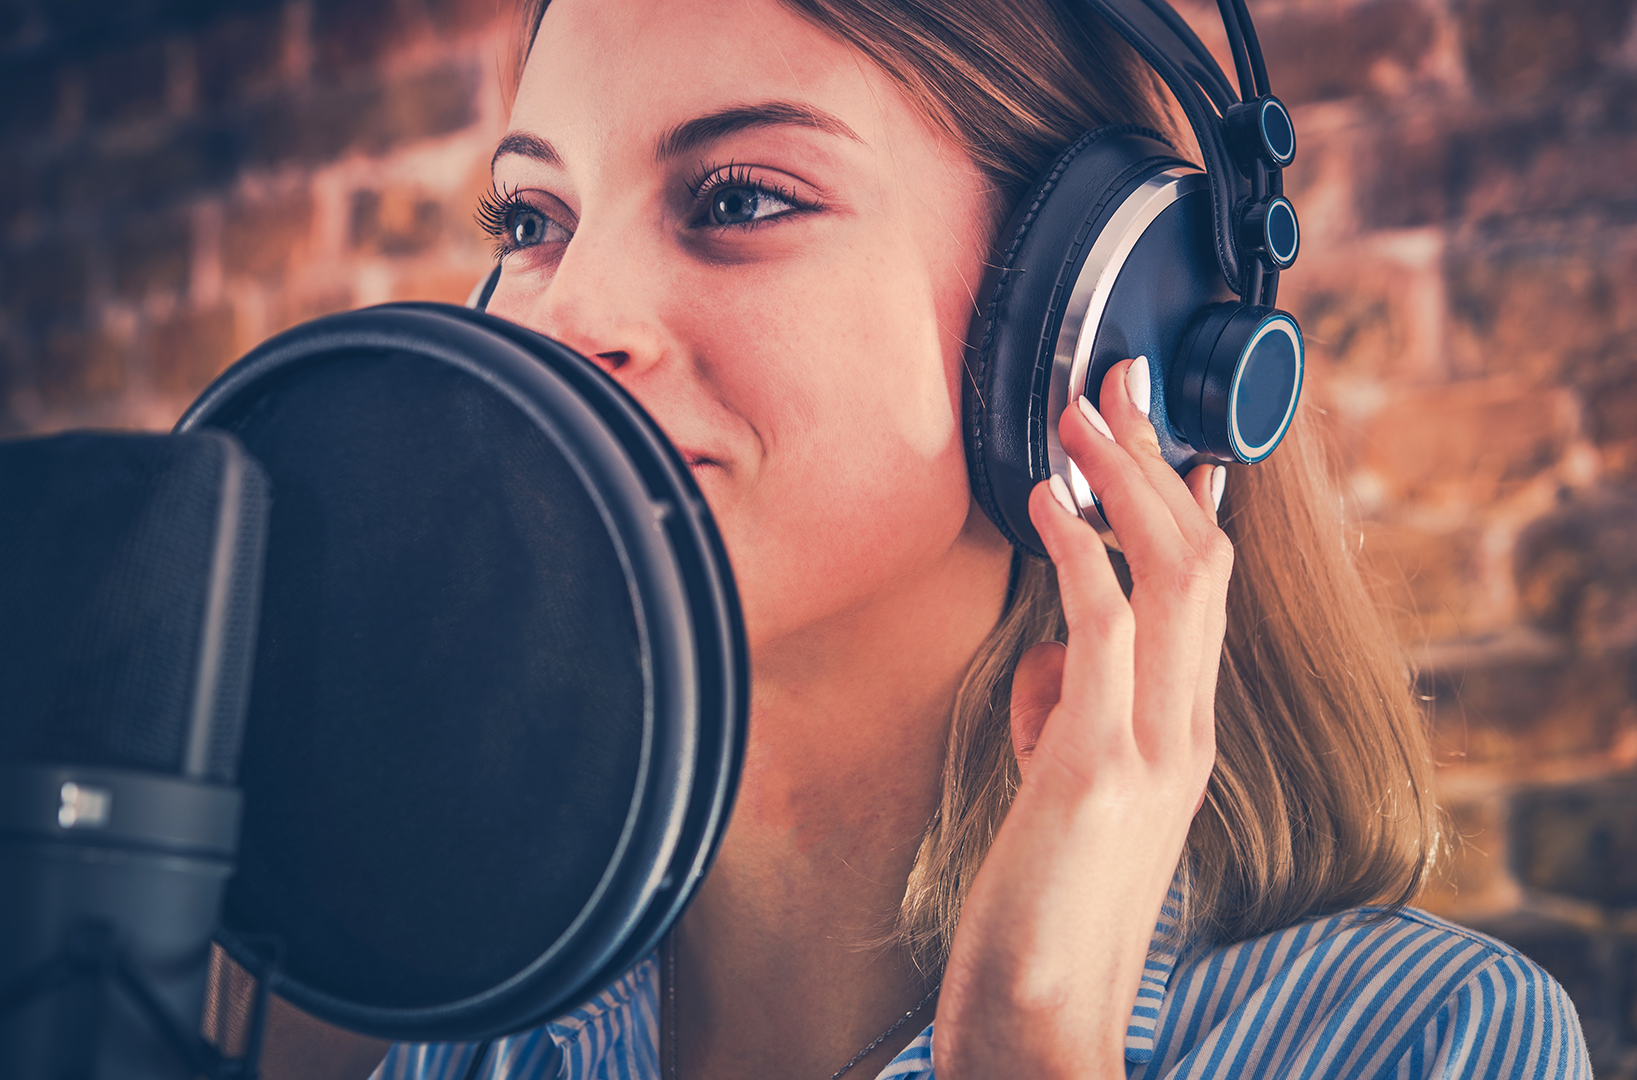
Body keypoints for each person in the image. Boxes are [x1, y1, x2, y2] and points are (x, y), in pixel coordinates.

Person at [262, 0, 1591, 1076]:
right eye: (534, 221)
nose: (573, 314)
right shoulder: (476, 1029)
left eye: (737, 198)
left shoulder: (1425, 1043)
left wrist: (1033, 1042)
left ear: (1094, 311)